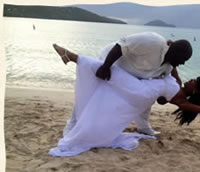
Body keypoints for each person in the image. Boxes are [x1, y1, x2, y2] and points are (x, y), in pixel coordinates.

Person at [49, 44, 200, 157]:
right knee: (111, 75)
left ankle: (71, 55)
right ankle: (70, 56)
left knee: (113, 74)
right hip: (141, 91)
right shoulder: (177, 82)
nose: (190, 81)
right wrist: (169, 45)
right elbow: (170, 61)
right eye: (193, 79)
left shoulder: (182, 102)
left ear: (194, 91)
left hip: (141, 92)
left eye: (194, 83)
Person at [63, 32, 192, 136]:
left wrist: (170, 96)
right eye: (184, 59)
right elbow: (121, 44)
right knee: (94, 90)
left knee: (145, 98)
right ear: (176, 52)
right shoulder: (153, 42)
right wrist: (106, 66)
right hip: (113, 61)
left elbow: (158, 97)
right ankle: (73, 124)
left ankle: (144, 127)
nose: (183, 63)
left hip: (132, 74)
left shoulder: (167, 68)